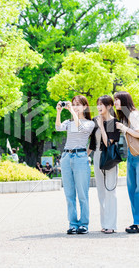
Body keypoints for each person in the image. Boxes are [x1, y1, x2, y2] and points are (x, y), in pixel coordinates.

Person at [114, 91, 139, 234]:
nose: (115, 102)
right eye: (114, 100)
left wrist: (124, 128)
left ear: (124, 100)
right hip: (132, 155)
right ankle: (137, 221)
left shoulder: (133, 114)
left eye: (117, 99)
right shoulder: (125, 116)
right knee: (132, 190)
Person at [56, 95, 95, 235]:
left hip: (80, 157)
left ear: (85, 106)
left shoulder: (89, 123)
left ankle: (83, 224)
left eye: (78, 104)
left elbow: (81, 129)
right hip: (66, 156)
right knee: (69, 193)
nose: (75, 106)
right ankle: (73, 223)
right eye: (73, 104)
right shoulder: (69, 122)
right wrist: (59, 111)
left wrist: (72, 111)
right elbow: (58, 127)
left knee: (82, 194)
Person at [89, 95, 120, 234]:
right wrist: (84, 155)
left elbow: (108, 143)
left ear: (109, 106)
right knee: (100, 191)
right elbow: (92, 143)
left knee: (110, 191)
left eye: (101, 104)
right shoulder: (94, 121)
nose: (98, 107)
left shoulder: (114, 123)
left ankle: (111, 224)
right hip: (97, 156)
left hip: (109, 157)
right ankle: (104, 223)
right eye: (97, 104)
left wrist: (102, 126)